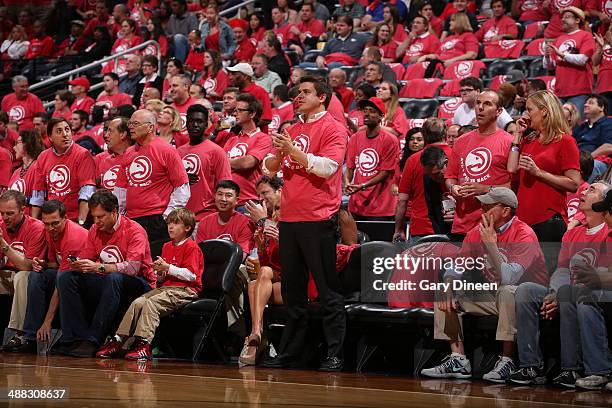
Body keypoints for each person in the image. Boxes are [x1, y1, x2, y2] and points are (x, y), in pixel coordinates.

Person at [262, 75, 347, 371]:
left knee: (326, 290)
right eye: (297, 92)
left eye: (306, 92)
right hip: (288, 219)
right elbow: (270, 167)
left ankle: (335, 353)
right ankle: (292, 353)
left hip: (318, 218)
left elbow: (326, 168)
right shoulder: (293, 128)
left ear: (322, 97)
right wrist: (277, 153)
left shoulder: (334, 128)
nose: (299, 96)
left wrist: (293, 150)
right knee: (293, 292)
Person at [421, 187, 548, 382]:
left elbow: (509, 278)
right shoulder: (476, 232)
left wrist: (491, 244)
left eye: (488, 206)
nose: (482, 211)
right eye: (482, 206)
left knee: (507, 290)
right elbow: (456, 266)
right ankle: (459, 359)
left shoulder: (524, 234)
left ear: (505, 211)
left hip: (528, 302)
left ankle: (507, 360)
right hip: (493, 296)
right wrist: (449, 282)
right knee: (444, 290)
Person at [509, 182, 610, 386]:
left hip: (590, 291)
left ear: (604, 202)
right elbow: (563, 270)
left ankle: (571, 369)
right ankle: (531, 365)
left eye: (592, 190)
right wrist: (553, 293)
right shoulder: (572, 234)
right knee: (526, 290)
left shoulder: (607, 233)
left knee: (572, 293)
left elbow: (602, 276)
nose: (584, 191)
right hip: (565, 289)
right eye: (586, 188)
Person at [55, 189, 156, 357]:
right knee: (66, 277)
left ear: (114, 212)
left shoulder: (134, 230)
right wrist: (78, 264)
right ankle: (74, 338)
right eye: (93, 217)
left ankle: (94, 339)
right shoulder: (94, 230)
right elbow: (87, 257)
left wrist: (98, 267)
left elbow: (133, 268)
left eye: (100, 217)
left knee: (114, 277)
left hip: (140, 283)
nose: (96, 221)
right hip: (109, 280)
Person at [96, 207, 203, 360]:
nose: (170, 226)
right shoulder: (167, 246)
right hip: (167, 288)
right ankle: (119, 340)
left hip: (185, 290)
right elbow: (164, 276)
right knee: (138, 302)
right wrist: (159, 273)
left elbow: (191, 276)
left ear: (187, 227)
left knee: (151, 304)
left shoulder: (191, 246)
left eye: (176, 223)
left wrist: (168, 267)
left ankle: (144, 344)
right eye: (169, 223)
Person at [9, 200, 89, 353]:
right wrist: (44, 264)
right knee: (36, 276)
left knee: (61, 279)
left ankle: (68, 338)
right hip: (64, 272)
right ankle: (30, 336)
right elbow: (55, 264)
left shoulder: (73, 237)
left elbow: (61, 279)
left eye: (55, 223)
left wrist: (47, 322)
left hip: (84, 277)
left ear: (65, 218)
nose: (50, 228)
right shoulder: (49, 231)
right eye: (46, 224)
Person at [508, 90, 581, 248]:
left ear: (544, 111)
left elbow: (574, 184)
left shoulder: (565, 141)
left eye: (530, 109)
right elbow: (512, 169)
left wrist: (539, 173)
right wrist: (517, 136)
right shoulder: (528, 140)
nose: (526, 114)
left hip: (548, 220)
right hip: (523, 220)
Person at [445, 91, 513, 241]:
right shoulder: (461, 141)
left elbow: (515, 186)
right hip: (462, 224)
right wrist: (453, 188)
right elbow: (450, 177)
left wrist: (485, 189)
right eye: (478, 103)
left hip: (493, 225)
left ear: (499, 111)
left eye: (487, 104)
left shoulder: (509, 142)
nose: (480, 108)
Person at [114, 110, 189, 242]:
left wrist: (167, 217)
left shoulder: (167, 150)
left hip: (156, 219)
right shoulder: (129, 152)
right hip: (131, 220)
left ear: (150, 127)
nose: (130, 127)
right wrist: (120, 217)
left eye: (135, 124)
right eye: (130, 123)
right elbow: (121, 189)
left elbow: (182, 187)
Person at [0, 190, 46, 352]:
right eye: (2, 213)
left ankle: (21, 335)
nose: (5, 218)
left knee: (22, 276)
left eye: (10, 213)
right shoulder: (1, 225)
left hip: (32, 277)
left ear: (23, 210)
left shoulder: (37, 228)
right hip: (6, 275)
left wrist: (4, 245)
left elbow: (28, 266)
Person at [396, 119, 453, 240]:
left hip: (421, 228)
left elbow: (402, 200)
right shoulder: (457, 155)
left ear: (424, 135)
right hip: (452, 226)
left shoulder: (413, 160)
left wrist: (398, 229)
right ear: (445, 134)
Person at [33, 118, 96, 224]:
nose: (65, 134)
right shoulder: (43, 157)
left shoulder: (82, 155)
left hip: (74, 219)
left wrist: (81, 222)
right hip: (52, 220)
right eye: (59, 131)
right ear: (50, 137)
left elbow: (87, 192)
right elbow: (38, 195)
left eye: (67, 130)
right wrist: (34, 223)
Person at [345, 97, 399, 221]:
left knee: (379, 240)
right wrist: (347, 182)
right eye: (365, 110)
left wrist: (362, 185)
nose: (367, 114)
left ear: (381, 116)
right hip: (357, 204)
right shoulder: (355, 138)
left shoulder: (390, 140)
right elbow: (350, 167)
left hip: (381, 206)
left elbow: (385, 172)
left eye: (372, 111)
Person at [179, 104, 231, 221]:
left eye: (199, 121)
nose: (195, 125)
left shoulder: (217, 152)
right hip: (181, 218)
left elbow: (226, 187)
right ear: (186, 123)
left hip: (206, 217)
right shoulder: (178, 152)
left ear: (206, 125)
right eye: (192, 121)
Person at [543, 7, 595, 116]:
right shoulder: (559, 39)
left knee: (575, 125)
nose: (563, 20)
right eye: (562, 17)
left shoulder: (586, 35)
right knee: (559, 125)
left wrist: (561, 54)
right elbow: (550, 66)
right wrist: (547, 56)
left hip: (579, 90)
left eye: (567, 17)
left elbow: (583, 59)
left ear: (577, 20)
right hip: (560, 91)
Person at [224, 93, 272, 207]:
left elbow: (247, 163)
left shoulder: (263, 138)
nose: (235, 114)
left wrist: (227, 163)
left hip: (249, 202)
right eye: (235, 110)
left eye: (240, 110)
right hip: (227, 201)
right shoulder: (232, 140)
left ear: (252, 114)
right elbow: (219, 164)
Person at [195, 180, 254, 255]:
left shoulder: (245, 223)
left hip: (235, 264)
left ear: (237, 200)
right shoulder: (204, 222)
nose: (223, 199)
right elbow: (200, 252)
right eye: (220, 194)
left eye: (228, 195)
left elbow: (241, 254)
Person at [9, 130, 44, 217]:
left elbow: (40, 198)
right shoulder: (16, 172)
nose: (14, 147)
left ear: (27, 144)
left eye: (17, 143)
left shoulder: (38, 167)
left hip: (30, 223)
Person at [226, 63, 273, 128]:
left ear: (245, 76)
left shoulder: (260, 91)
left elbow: (266, 119)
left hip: (257, 137)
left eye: (234, 74)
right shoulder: (236, 93)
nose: (230, 77)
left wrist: (244, 125)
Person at [95, 117, 132, 191]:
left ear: (123, 134)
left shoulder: (136, 158)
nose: (106, 135)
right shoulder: (103, 160)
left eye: (110, 131)